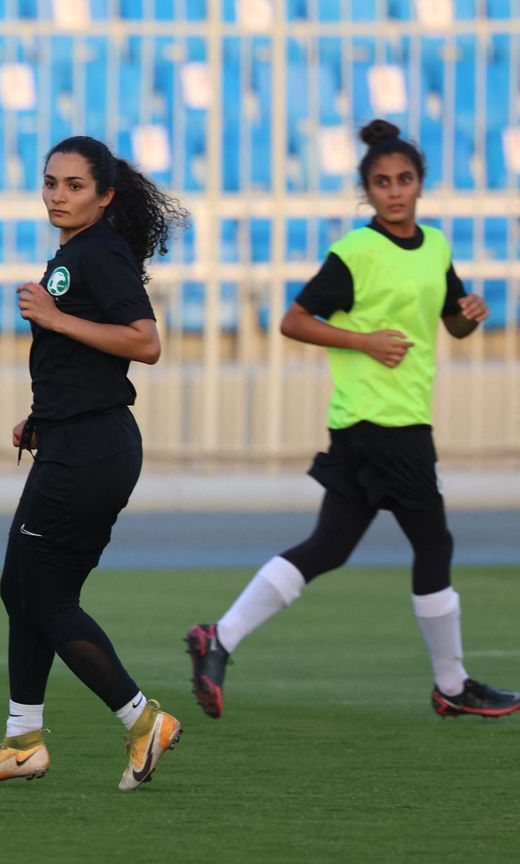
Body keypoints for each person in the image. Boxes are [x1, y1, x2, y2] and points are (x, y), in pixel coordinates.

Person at [186, 120, 519, 720]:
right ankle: (452, 685)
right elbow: (293, 320)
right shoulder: (355, 253)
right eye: (382, 182)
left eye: (405, 180)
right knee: (434, 543)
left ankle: (220, 638)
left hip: (390, 420)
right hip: (381, 424)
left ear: (420, 184)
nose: (395, 191)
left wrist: (470, 313)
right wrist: (363, 341)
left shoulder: (437, 246)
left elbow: (453, 322)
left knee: (330, 546)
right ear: (367, 191)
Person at [0, 136, 188, 792]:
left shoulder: (99, 255)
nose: (58, 194)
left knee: (39, 594)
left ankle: (142, 720)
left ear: (105, 195)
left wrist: (54, 319)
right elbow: (87, 360)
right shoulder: (79, 253)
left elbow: (146, 342)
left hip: (91, 450)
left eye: (74, 185)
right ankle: (23, 741)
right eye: (51, 182)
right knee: (27, 592)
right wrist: (43, 413)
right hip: (76, 439)